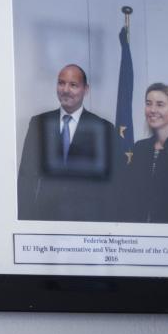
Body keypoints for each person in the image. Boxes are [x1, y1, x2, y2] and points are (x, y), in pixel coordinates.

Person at [17, 64, 119, 221]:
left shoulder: (103, 128)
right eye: (61, 83)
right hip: (45, 217)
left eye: (73, 85)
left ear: (86, 89)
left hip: (88, 220)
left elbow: (111, 186)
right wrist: (24, 219)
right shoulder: (39, 123)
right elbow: (26, 177)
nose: (65, 90)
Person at [121, 83, 168, 224]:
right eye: (149, 104)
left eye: (160, 104)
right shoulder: (139, 149)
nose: (152, 110)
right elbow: (129, 197)